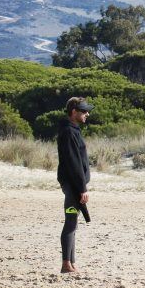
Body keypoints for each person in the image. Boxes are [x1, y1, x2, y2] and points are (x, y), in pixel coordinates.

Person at [57, 97, 93, 273]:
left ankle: (71, 263)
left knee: (73, 222)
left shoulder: (73, 130)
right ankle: (66, 264)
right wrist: (82, 189)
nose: (87, 114)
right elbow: (74, 164)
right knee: (70, 222)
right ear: (73, 112)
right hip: (73, 186)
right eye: (84, 111)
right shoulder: (69, 132)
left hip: (75, 185)